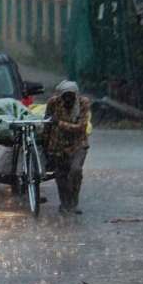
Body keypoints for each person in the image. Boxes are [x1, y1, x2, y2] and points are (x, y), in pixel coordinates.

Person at [44, 80, 91, 215]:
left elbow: (81, 127)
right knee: (61, 175)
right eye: (65, 96)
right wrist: (45, 143)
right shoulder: (53, 103)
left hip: (78, 144)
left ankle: (74, 203)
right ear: (60, 96)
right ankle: (65, 203)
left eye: (71, 96)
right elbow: (47, 123)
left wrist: (59, 123)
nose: (68, 99)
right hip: (58, 145)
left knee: (76, 170)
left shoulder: (83, 103)